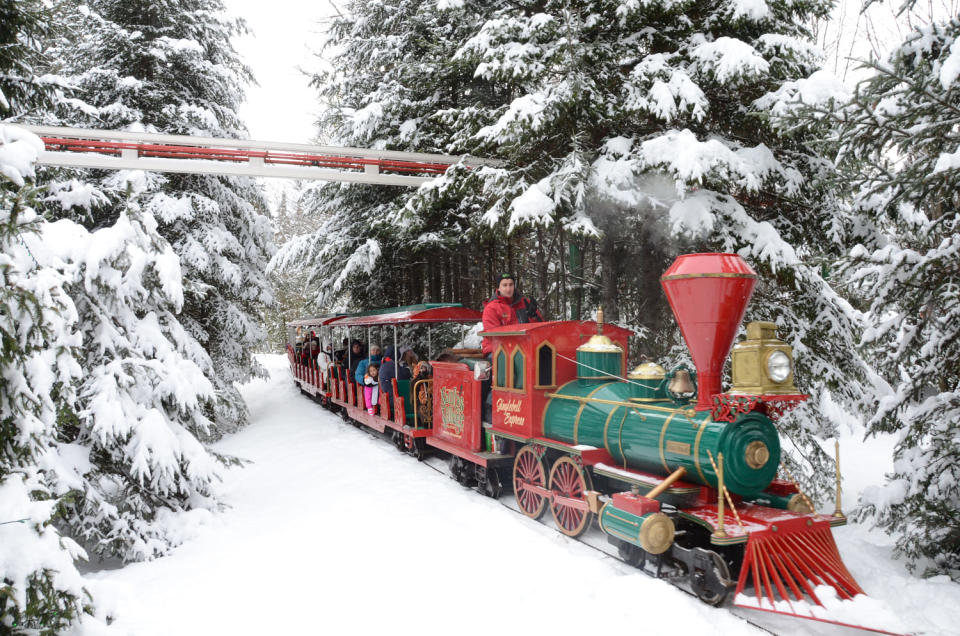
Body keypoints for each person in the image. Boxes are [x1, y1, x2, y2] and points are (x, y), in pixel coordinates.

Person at [481, 273, 544, 355]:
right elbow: (493, 336)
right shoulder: (491, 308)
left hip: (524, 348)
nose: (508, 289)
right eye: (504, 285)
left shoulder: (525, 303)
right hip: (496, 349)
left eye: (511, 285)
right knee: (514, 363)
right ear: (498, 288)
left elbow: (540, 329)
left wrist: (533, 317)